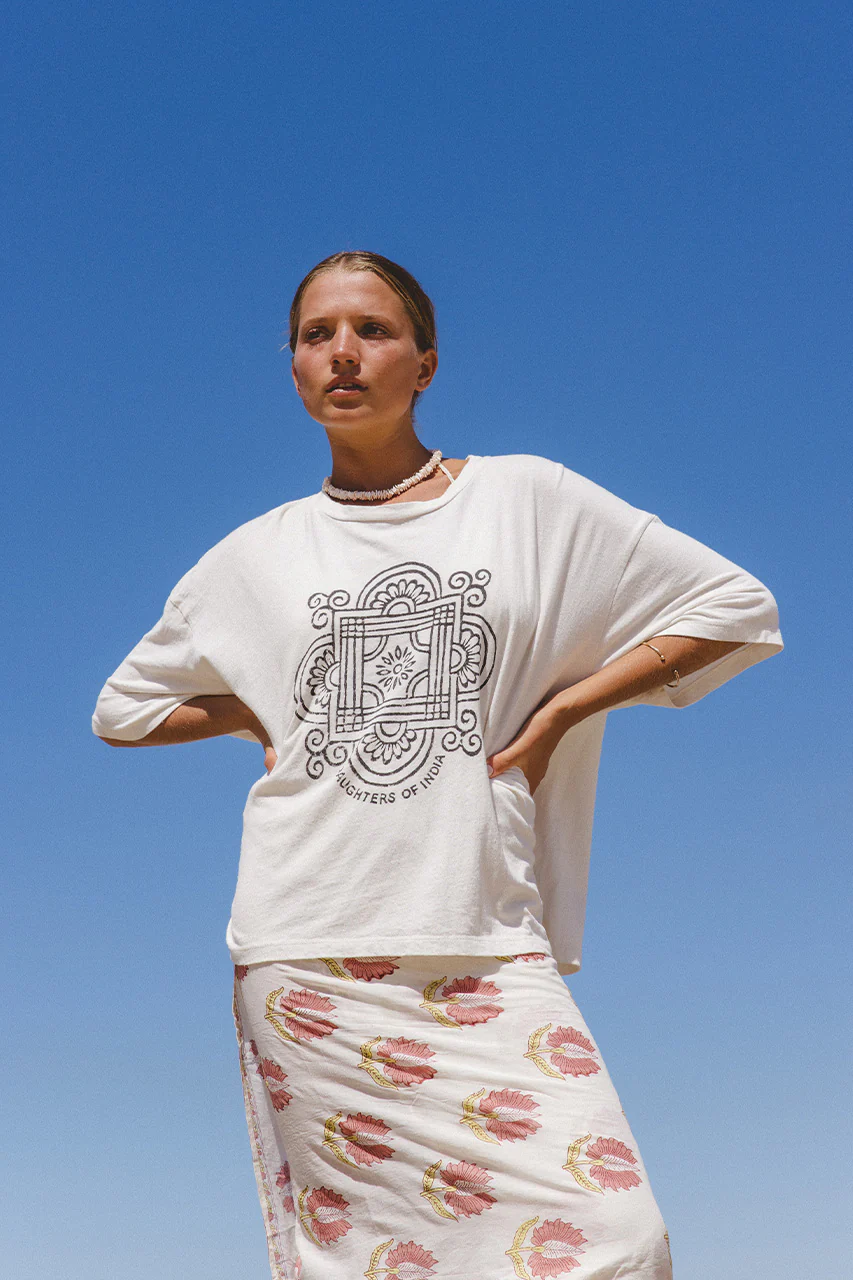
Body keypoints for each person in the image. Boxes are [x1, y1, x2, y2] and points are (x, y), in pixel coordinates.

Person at [92, 251, 783, 1280]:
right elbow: (123, 709)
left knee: (618, 1238)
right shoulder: (250, 556)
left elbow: (732, 608)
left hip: (484, 935)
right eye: (317, 335)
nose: (342, 352)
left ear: (424, 363)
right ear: (292, 369)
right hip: (307, 945)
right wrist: (261, 710)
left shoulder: (528, 500)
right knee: (379, 1261)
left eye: (371, 330)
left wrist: (564, 708)